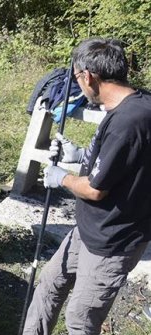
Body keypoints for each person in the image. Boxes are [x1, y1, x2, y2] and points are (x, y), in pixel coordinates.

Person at [23, 37, 151, 335]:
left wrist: (61, 177)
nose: (79, 86)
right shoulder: (136, 103)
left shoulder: (128, 123)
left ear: (88, 76)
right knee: (48, 286)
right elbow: (123, 162)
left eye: (77, 79)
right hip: (88, 228)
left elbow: (95, 188)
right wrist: (80, 155)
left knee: (80, 321)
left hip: (113, 240)